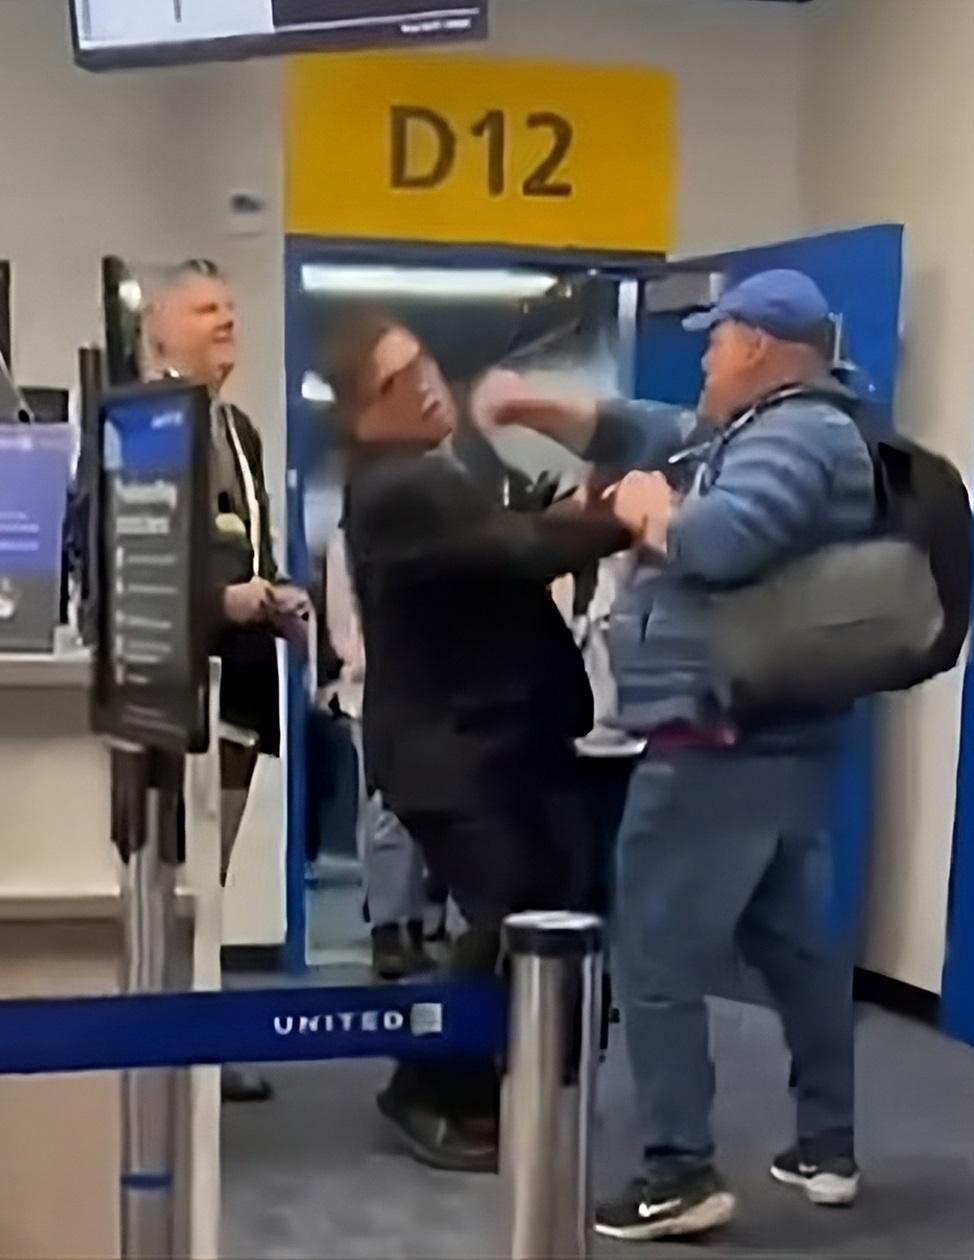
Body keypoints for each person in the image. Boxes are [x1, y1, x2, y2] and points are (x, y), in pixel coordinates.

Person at [487, 270, 874, 1240]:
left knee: (654, 950)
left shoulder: (797, 435)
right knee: (792, 947)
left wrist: (649, 506)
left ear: (754, 346)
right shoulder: (759, 429)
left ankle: (679, 1170)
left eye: (714, 340)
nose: (703, 356)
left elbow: (717, 541)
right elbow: (637, 427)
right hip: (770, 739)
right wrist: (532, 404)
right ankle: (826, 1143)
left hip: (718, 741)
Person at [325, 313, 631, 1173]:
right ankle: (431, 1089)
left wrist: (573, 516)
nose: (422, 382)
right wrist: (623, 521)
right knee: (509, 917)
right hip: (450, 753)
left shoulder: (429, 474)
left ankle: (474, 1078)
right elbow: (511, 552)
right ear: (359, 413)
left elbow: (492, 556)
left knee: (525, 909)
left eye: (421, 361)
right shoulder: (397, 486)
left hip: (488, 742)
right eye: (393, 381)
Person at [142, 258, 310, 1104]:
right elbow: (124, 563)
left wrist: (276, 594)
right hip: (174, 701)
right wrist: (221, 600)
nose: (226, 321)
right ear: (158, 332)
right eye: (206, 308)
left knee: (207, 885)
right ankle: (165, 1050)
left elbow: (247, 547)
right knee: (169, 886)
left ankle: (197, 1047)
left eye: (231, 307)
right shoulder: (144, 429)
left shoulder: (235, 431)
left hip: (240, 696)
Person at [322, 523, 434, 981]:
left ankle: (406, 922)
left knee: (408, 812)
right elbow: (343, 628)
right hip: (372, 691)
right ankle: (388, 929)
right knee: (385, 809)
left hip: (419, 690)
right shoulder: (350, 538)